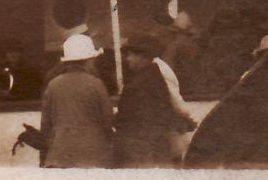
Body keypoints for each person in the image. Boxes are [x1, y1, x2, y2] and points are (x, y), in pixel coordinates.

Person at [113, 34, 195, 168]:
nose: (128, 59)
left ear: (142, 57)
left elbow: (123, 120)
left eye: (131, 55)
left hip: (142, 153)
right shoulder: (156, 76)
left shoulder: (135, 86)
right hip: (159, 149)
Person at [40, 34, 114, 168]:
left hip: (60, 153)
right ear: (89, 60)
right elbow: (107, 119)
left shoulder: (53, 84)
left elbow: (46, 124)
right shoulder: (96, 84)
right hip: (93, 153)